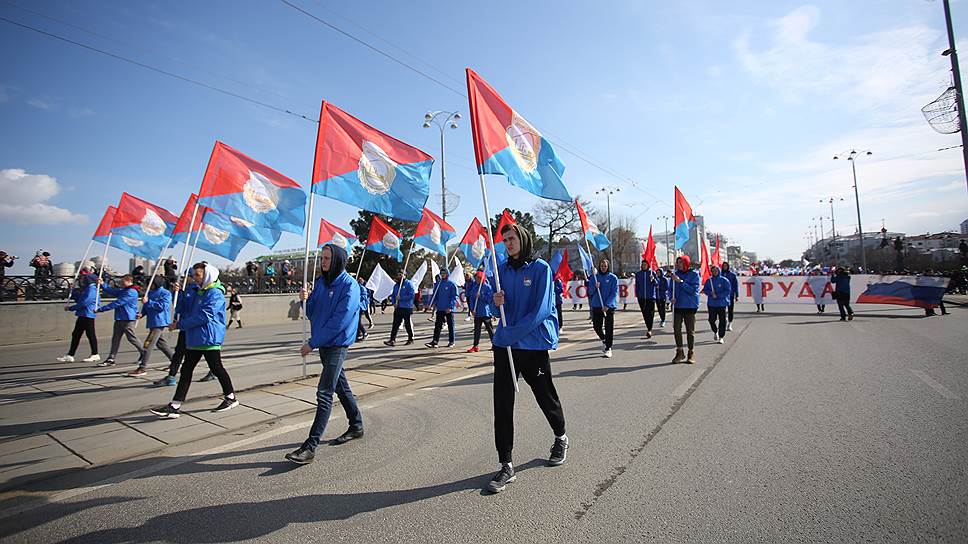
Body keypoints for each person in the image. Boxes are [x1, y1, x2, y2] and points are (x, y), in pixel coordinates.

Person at [486, 223, 567, 494]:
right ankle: (506, 463)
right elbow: (493, 307)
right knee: (503, 403)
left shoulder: (540, 268)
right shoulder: (502, 271)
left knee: (545, 396)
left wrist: (512, 334)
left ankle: (560, 436)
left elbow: (542, 310)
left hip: (532, 344)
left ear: (523, 238)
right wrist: (494, 300)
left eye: (512, 238)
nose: (508, 243)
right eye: (505, 239)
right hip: (506, 345)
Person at [286, 245, 364, 464]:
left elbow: (340, 321)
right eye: (322, 258)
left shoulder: (350, 286)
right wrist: (305, 299)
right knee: (341, 386)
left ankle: (310, 447)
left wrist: (312, 343)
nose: (324, 262)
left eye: (328, 258)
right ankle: (356, 425)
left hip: (337, 345)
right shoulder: (321, 282)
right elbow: (313, 313)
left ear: (338, 259)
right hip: (323, 344)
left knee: (324, 392)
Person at [149, 263, 238, 418]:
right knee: (186, 370)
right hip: (195, 337)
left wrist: (180, 325)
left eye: (197, 275)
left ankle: (230, 397)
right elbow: (184, 310)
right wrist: (180, 294)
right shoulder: (197, 291)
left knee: (216, 368)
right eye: (193, 275)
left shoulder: (215, 293)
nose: (193, 278)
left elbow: (205, 316)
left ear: (207, 275)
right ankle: (175, 405)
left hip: (208, 337)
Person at [128, 276, 174, 377]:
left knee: (148, 344)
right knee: (161, 344)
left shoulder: (165, 293)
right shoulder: (149, 292)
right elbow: (146, 307)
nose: (149, 285)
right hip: (152, 322)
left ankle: (143, 367)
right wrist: (142, 314)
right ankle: (175, 362)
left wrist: (148, 302)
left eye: (151, 283)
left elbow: (162, 306)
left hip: (159, 322)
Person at [95, 275, 145, 367]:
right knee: (115, 339)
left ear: (129, 281)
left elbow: (118, 303)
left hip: (128, 319)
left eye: (123, 282)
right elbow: (113, 291)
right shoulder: (124, 290)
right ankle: (111, 358)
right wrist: (102, 284)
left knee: (132, 338)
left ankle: (144, 353)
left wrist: (101, 309)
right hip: (119, 318)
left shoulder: (132, 292)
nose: (120, 284)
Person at [57, 264, 100, 363]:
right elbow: (80, 299)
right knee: (76, 334)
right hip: (83, 314)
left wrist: (71, 308)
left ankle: (95, 354)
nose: (81, 280)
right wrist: (73, 292)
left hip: (87, 314)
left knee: (90, 334)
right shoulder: (87, 289)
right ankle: (70, 355)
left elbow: (85, 302)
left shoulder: (92, 288)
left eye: (83, 278)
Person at [153, 278, 192, 387]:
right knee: (179, 353)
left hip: (194, 328)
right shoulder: (185, 290)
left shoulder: (198, 290)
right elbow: (179, 307)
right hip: (184, 326)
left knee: (204, 355)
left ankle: (214, 371)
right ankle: (171, 377)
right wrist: (177, 293)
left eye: (188, 276)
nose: (184, 278)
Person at [670, 255, 701, 364]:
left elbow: (693, 290)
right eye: (677, 263)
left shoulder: (694, 275)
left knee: (690, 331)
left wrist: (681, 282)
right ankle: (679, 351)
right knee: (676, 329)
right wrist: (671, 298)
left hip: (690, 306)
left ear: (686, 263)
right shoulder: (675, 274)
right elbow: (670, 289)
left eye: (681, 263)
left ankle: (690, 352)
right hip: (677, 306)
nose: (679, 265)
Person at [588, 258, 618, 358]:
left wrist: (607, 305)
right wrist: (595, 287)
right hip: (597, 305)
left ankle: (608, 348)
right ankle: (604, 339)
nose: (603, 268)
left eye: (605, 266)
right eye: (601, 266)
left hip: (609, 307)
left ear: (608, 266)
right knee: (597, 326)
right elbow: (590, 292)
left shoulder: (613, 278)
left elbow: (614, 293)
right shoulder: (594, 278)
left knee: (609, 327)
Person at [426, 268, 459, 348]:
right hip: (440, 308)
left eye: (444, 273)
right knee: (438, 325)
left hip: (448, 309)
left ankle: (451, 341)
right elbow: (435, 295)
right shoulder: (438, 284)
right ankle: (435, 341)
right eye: (441, 273)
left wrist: (450, 307)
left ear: (447, 274)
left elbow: (454, 296)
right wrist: (431, 304)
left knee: (450, 325)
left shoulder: (451, 284)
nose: (443, 274)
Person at [384, 271, 415, 346]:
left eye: (401, 275)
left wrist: (402, 298)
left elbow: (411, 295)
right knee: (395, 324)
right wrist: (394, 303)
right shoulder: (396, 285)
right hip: (398, 307)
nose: (399, 276)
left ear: (405, 275)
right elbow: (393, 295)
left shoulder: (409, 284)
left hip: (406, 307)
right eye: (398, 275)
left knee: (407, 324)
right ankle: (392, 340)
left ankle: (410, 338)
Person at [702, 264, 731, 344]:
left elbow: (727, 291)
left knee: (722, 321)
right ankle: (715, 331)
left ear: (719, 271)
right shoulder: (709, 281)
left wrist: (718, 295)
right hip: (712, 304)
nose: (714, 272)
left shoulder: (724, 280)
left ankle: (721, 337)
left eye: (716, 271)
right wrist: (711, 293)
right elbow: (705, 290)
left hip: (721, 304)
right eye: (713, 271)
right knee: (711, 320)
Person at [466, 273, 494, 353]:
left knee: (490, 329)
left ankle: (494, 344)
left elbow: (489, 300)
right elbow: (471, 299)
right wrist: (472, 309)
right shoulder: (475, 288)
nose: (477, 280)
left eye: (478, 278)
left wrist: (481, 296)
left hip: (485, 312)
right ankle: (475, 346)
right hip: (477, 312)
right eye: (476, 278)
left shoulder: (488, 287)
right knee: (477, 330)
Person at [634, 260, 659, 339]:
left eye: (645, 264)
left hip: (650, 297)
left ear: (648, 265)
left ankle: (649, 329)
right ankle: (648, 327)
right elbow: (637, 285)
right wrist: (637, 295)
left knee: (650, 314)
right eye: (643, 264)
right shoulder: (638, 274)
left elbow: (657, 284)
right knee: (645, 314)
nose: (644, 266)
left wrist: (653, 279)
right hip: (641, 297)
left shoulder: (652, 273)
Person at [720, 262, 739, 330]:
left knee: (730, 310)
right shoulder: (720, 274)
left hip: (730, 295)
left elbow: (735, 285)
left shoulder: (732, 275)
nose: (725, 267)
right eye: (723, 266)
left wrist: (736, 295)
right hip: (721, 296)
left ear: (728, 266)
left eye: (726, 266)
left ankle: (730, 323)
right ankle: (724, 322)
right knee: (722, 310)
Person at [356, 277, 370, 342]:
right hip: (356, 307)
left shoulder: (362, 288)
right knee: (356, 321)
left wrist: (356, 297)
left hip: (361, 307)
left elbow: (364, 296)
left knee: (358, 321)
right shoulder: (355, 287)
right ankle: (358, 334)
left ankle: (365, 333)